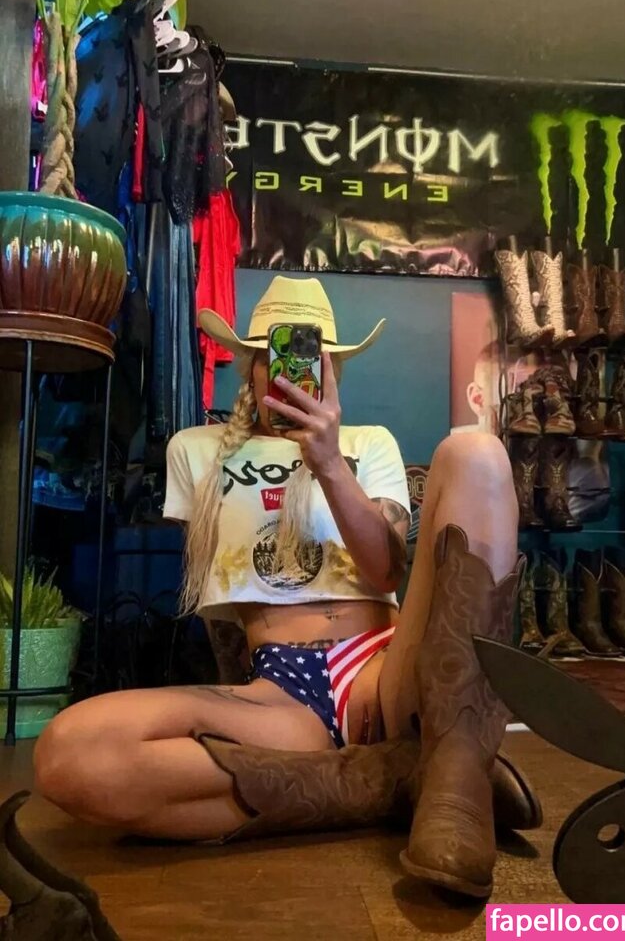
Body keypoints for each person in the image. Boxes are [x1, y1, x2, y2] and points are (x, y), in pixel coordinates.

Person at [34, 276, 541, 900]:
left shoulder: (367, 444)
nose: (290, 373)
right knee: (71, 756)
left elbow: (386, 572)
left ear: (331, 369)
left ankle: (455, 785)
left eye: (311, 357)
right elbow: (217, 605)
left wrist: (328, 461)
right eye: (273, 356)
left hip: (387, 667)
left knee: (476, 452)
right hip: (280, 691)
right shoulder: (196, 451)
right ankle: (400, 775)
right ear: (253, 365)